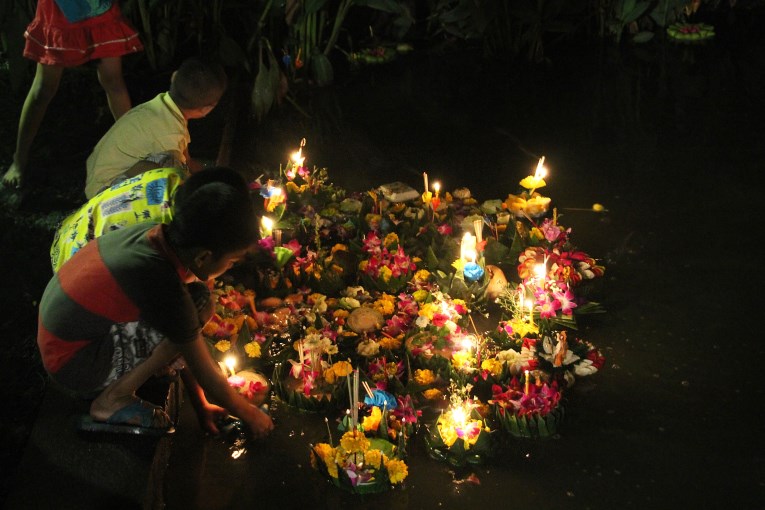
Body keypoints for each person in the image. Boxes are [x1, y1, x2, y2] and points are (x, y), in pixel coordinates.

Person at [37, 166, 274, 437]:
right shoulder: (159, 277)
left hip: (72, 338)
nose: (231, 267)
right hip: (73, 362)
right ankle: (112, 401)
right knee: (192, 313)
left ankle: (122, 380)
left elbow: (185, 332)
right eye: (232, 260)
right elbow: (204, 371)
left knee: (198, 303)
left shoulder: (156, 236)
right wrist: (253, 416)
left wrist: (201, 406)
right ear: (203, 258)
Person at [1, 0, 143, 190]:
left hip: (97, 8)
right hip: (59, 11)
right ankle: (19, 159)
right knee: (43, 89)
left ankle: (135, 151)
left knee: (113, 81)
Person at [84, 56, 227, 199]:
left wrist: (211, 177)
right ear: (207, 109)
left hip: (98, 177)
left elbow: (187, 161)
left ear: (174, 76)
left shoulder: (162, 108)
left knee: (175, 166)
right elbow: (179, 177)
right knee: (172, 173)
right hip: (106, 194)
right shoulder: (169, 135)